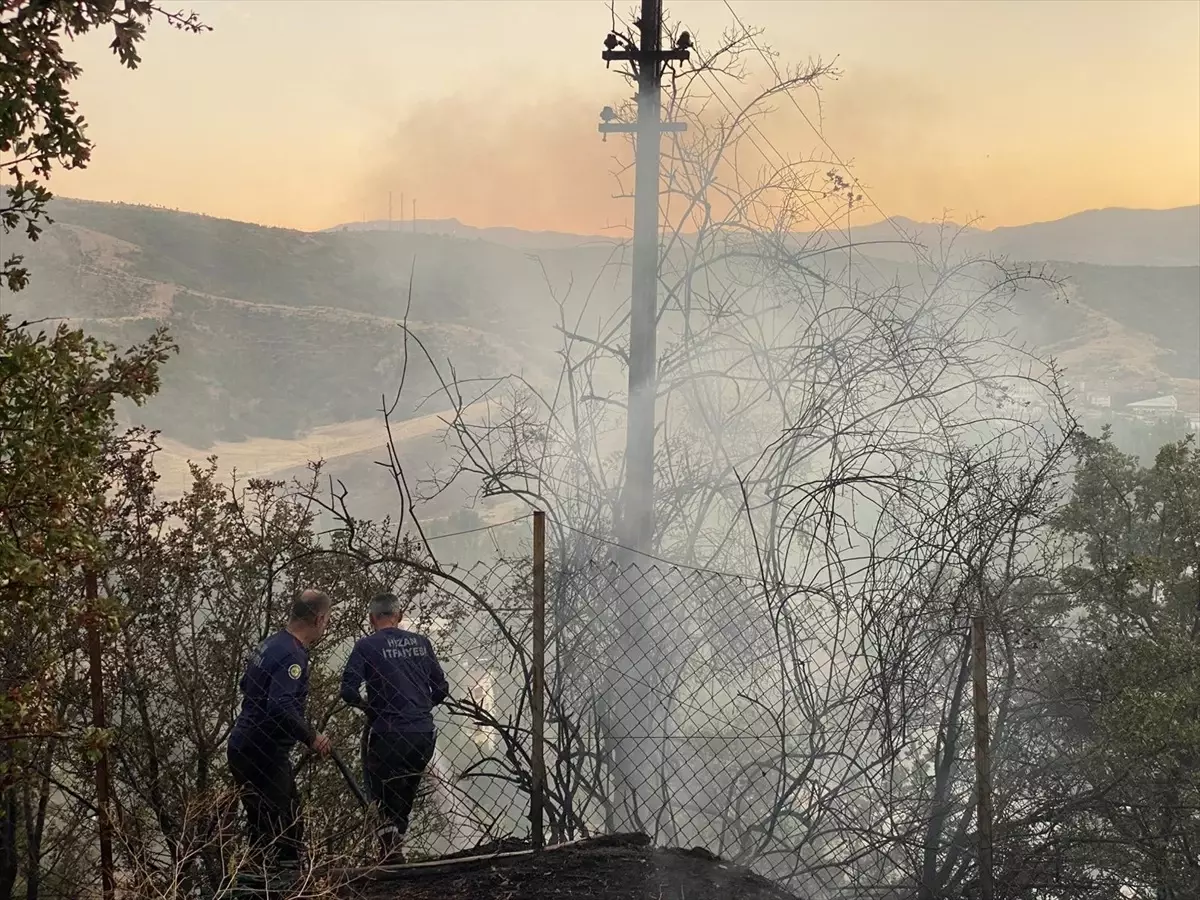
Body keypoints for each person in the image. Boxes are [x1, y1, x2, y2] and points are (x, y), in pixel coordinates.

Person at [228, 589, 334, 870]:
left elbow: (246, 685)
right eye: (327, 620)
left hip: (244, 745)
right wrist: (312, 737)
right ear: (319, 619)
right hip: (264, 751)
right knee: (285, 832)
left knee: (263, 827)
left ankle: (259, 882)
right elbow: (280, 704)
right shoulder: (293, 655)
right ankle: (281, 886)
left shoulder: (271, 644)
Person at [340, 592, 449, 864]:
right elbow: (441, 688)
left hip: (387, 731)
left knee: (381, 791)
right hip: (423, 732)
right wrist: (419, 707)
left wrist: (370, 709)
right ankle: (394, 850)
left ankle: (390, 854)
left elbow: (348, 691)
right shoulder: (421, 643)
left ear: (371, 618)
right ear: (399, 616)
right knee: (407, 789)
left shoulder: (366, 646)